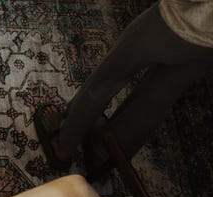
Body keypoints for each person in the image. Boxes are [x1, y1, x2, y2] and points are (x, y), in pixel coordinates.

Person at [34, 0, 213, 181]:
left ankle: (63, 144)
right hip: (209, 43)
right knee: (155, 101)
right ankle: (102, 155)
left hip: (179, 20)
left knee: (111, 75)